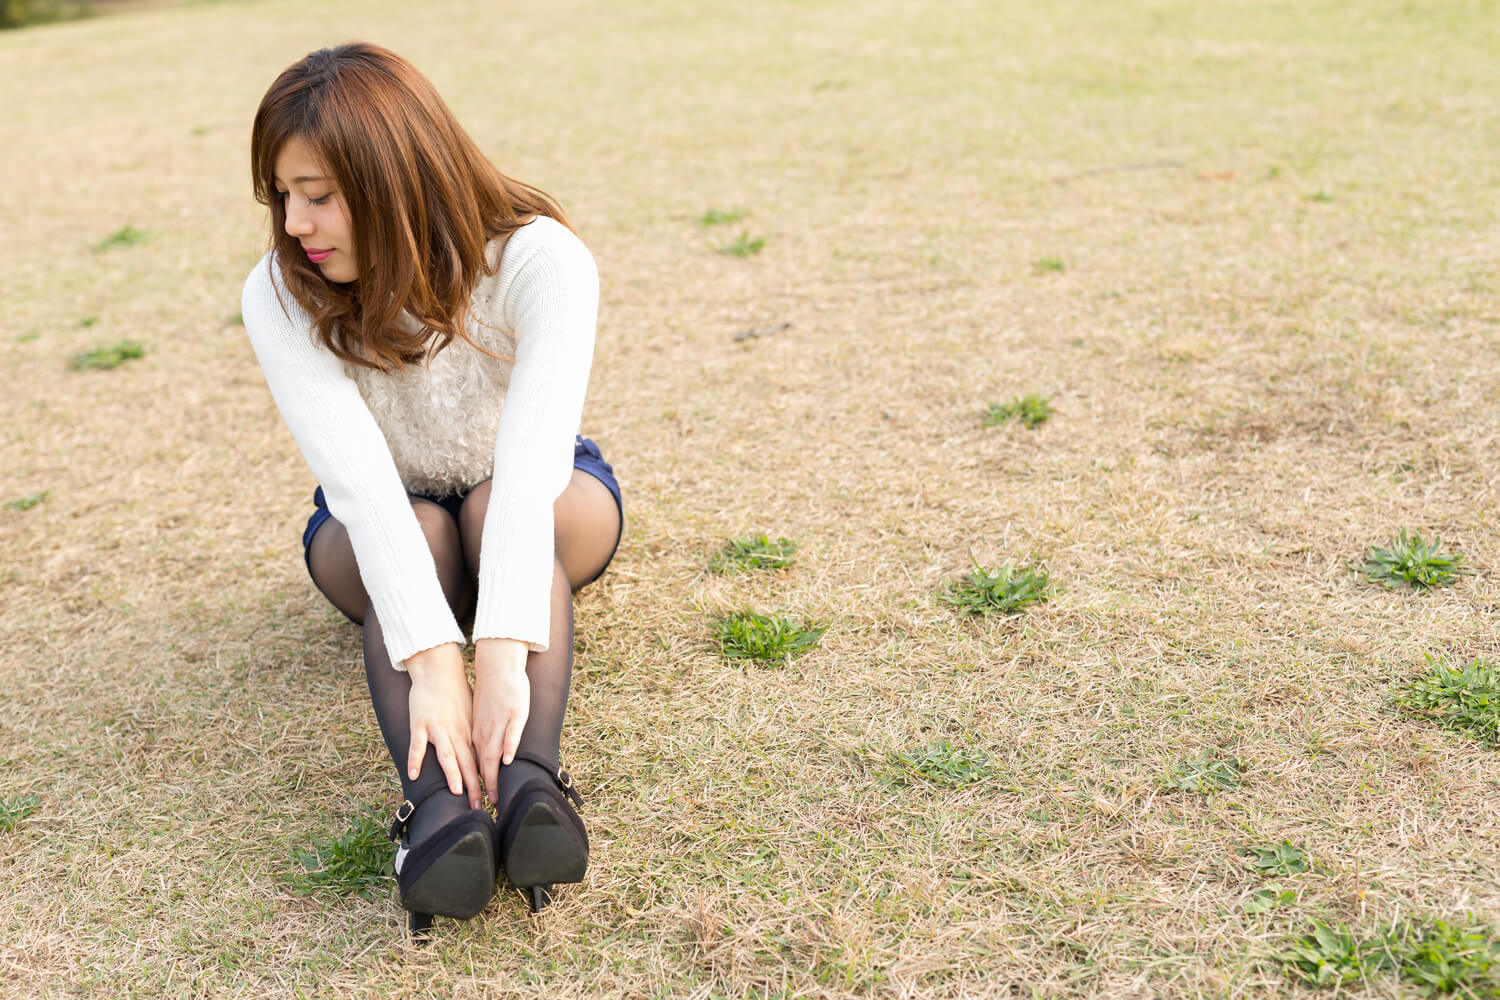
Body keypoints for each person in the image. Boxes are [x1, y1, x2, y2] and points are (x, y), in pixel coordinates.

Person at [240, 42, 621, 935]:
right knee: (411, 527)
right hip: (381, 517)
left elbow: (532, 470)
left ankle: (531, 782)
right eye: (281, 194)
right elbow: (360, 491)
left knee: (491, 509)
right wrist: (434, 660)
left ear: (395, 175)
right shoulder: (278, 292)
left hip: (538, 497)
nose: (296, 222)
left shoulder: (541, 259)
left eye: (321, 194)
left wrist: (495, 651)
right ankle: (439, 812)